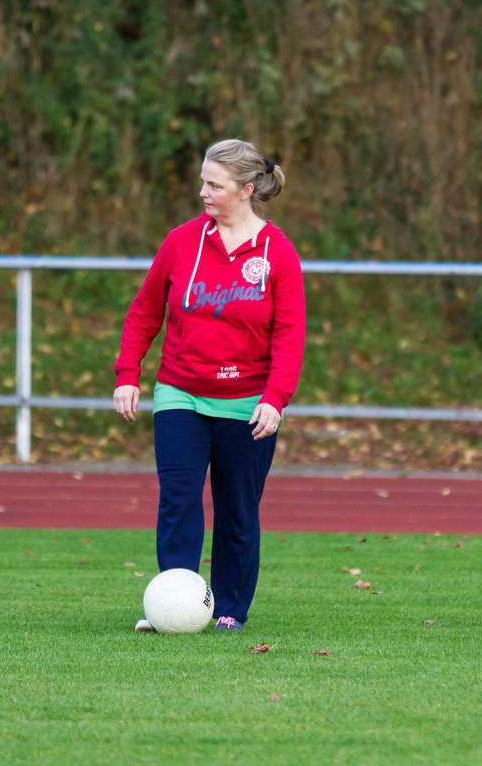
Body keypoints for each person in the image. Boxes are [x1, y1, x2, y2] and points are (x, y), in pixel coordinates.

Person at [113, 138, 306, 633]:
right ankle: (173, 607)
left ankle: (229, 610)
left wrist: (274, 399)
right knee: (178, 500)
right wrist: (127, 374)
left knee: (237, 510)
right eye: (202, 180)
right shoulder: (181, 242)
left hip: (248, 402)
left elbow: (289, 336)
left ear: (246, 190)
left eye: (213, 185)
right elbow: (144, 313)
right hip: (181, 392)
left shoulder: (277, 254)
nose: (202, 191)